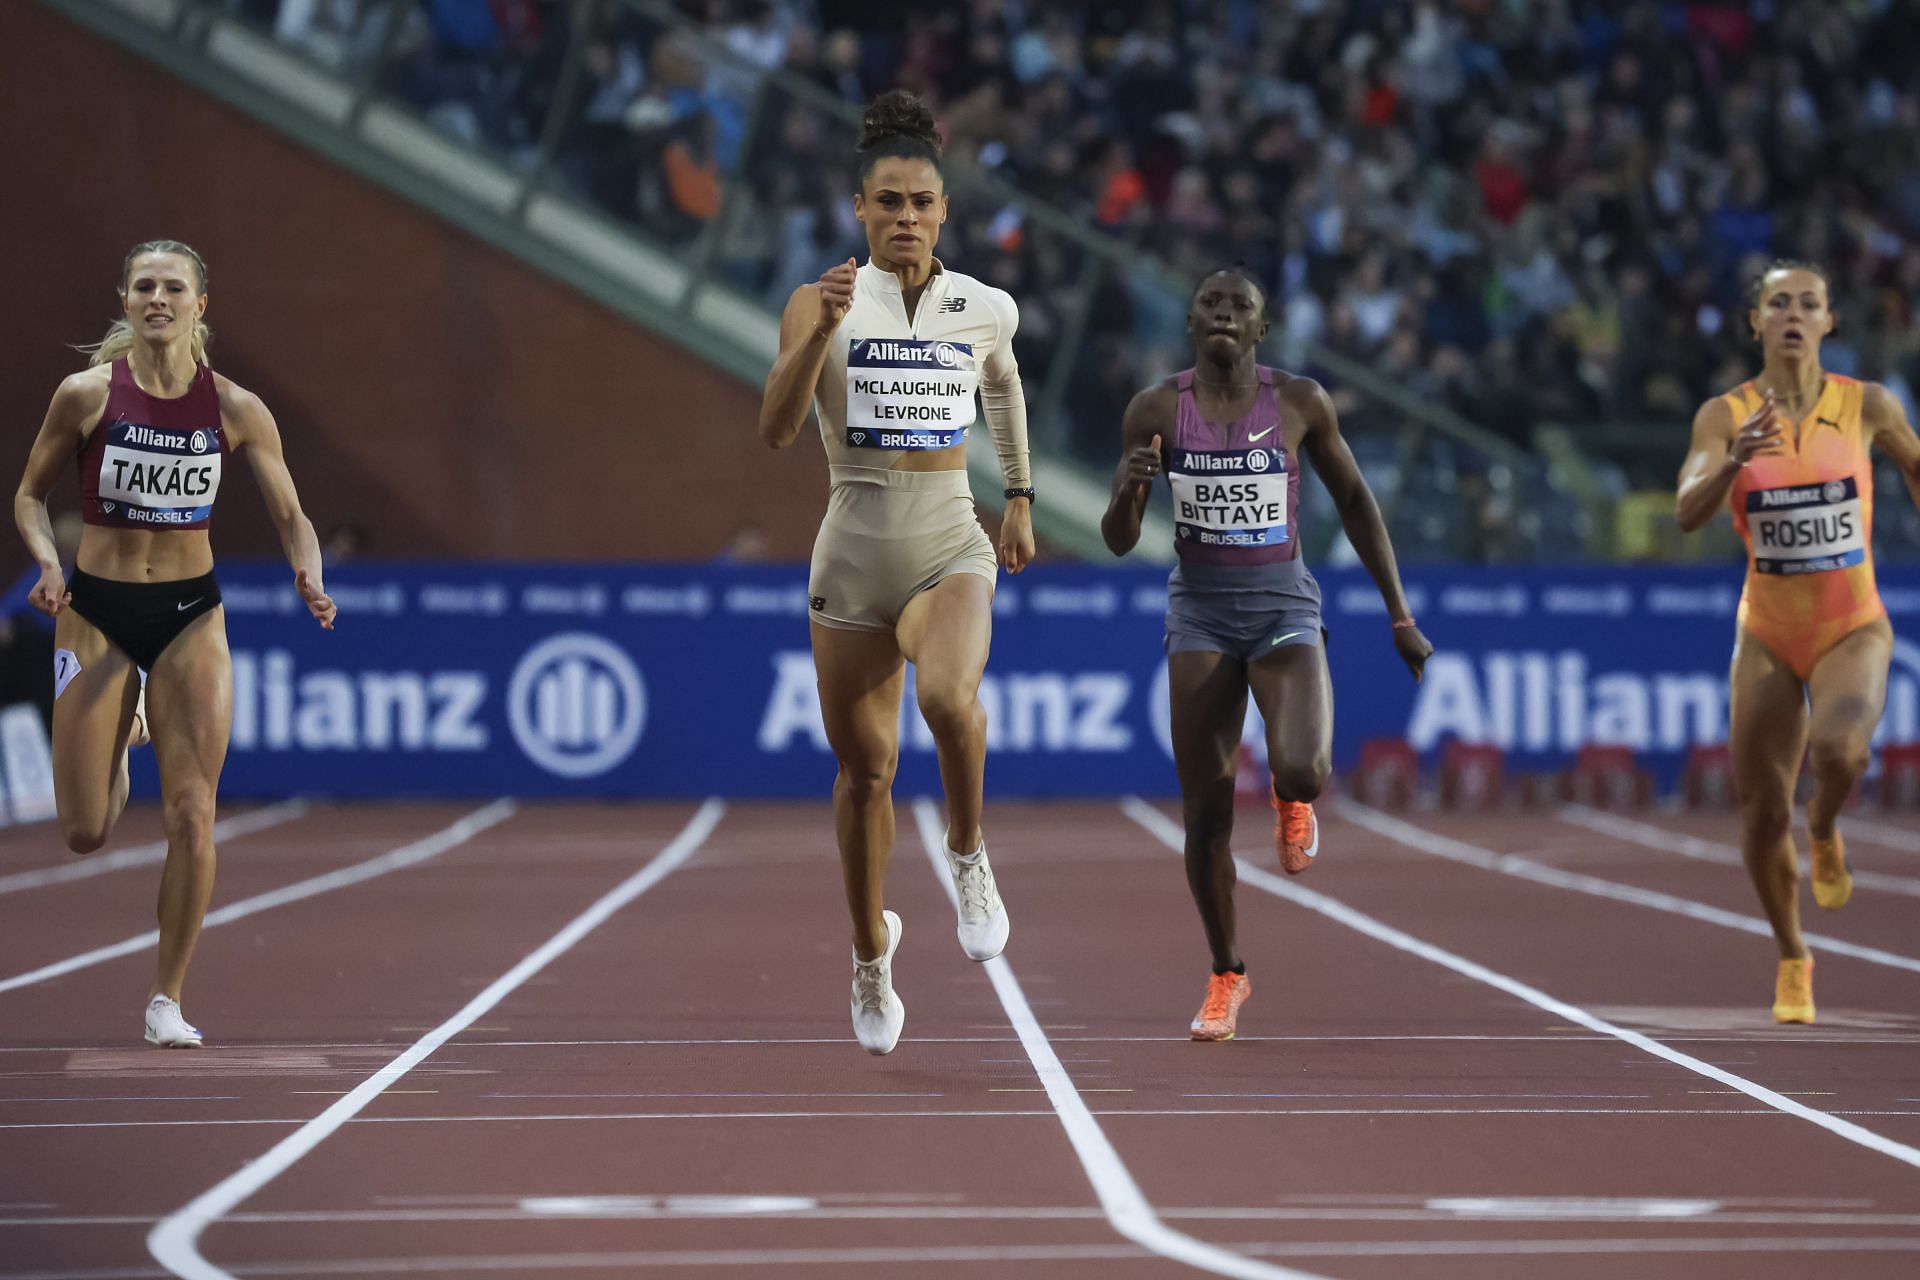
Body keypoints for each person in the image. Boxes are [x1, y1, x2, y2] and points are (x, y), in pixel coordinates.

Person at [758, 91, 1033, 1056]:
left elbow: (1003, 386)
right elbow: (778, 429)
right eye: (888, 202)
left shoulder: (984, 308)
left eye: (921, 202)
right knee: (864, 774)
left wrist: (1024, 496)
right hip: (852, 552)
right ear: (861, 209)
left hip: (950, 537)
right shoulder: (820, 299)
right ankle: (871, 951)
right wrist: (820, 334)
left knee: (952, 700)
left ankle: (967, 856)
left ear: (945, 209)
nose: (905, 217)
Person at [13, 240, 336, 1048]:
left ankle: (166, 999)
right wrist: (49, 561)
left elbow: (294, 516)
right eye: (145, 286)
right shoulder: (85, 396)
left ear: (200, 306)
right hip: (96, 613)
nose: (158, 298)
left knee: (194, 811)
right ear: (125, 301)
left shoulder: (236, 409)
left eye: (174, 287)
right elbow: (27, 495)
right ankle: (123, 739)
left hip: (191, 612)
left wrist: (310, 575)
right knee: (85, 829)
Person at [1102, 266, 1430, 1042]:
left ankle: (1292, 799)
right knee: (1206, 815)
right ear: (1191, 322)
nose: (1223, 314)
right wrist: (1128, 488)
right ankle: (1227, 974)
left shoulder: (1299, 403)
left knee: (1304, 767)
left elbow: (1355, 502)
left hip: (1283, 603)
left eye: (1239, 307)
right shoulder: (1155, 409)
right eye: (1210, 304)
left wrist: (1398, 614)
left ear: (1261, 330)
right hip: (1202, 615)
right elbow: (1119, 541)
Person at [1675, 259, 1920, 1025]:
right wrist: (1736, 462)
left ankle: (1826, 827)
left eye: (1808, 303)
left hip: (1853, 622)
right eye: (1778, 302)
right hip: (1769, 633)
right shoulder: (1725, 415)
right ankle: (1793, 956)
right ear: (1755, 322)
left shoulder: (1868, 405)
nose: (1792, 314)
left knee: (1841, 753)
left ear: (1828, 322)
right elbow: (1686, 510)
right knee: (1758, 813)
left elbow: (1916, 465)